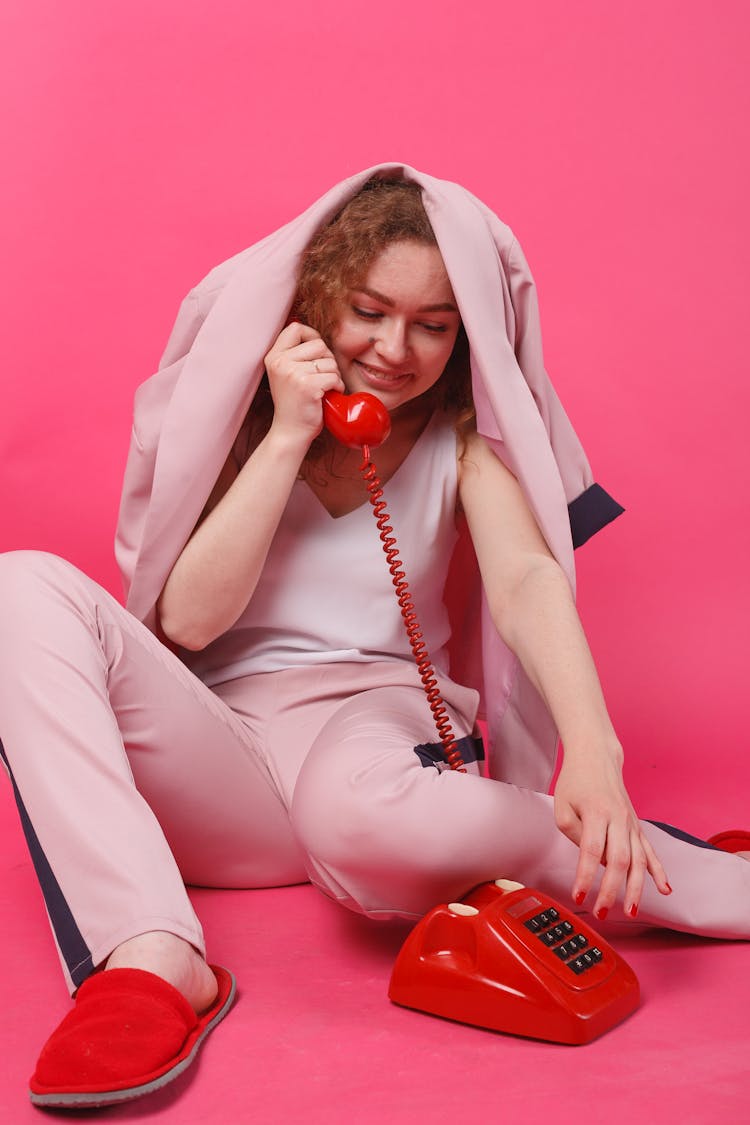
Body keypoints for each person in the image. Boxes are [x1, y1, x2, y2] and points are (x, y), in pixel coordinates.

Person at [1, 166, 748, 1110]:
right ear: (318, 302)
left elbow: (522, 578)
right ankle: (150, 956)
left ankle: (716, 882)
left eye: (433, 324)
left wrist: (593, 748)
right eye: (369, 310)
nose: (396, 349)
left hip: (372, 732)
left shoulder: (460, 443)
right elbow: (188, 623)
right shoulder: (238, 425)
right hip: (224, 759)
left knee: (371, 814)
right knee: (15, 584)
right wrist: (286, 436)